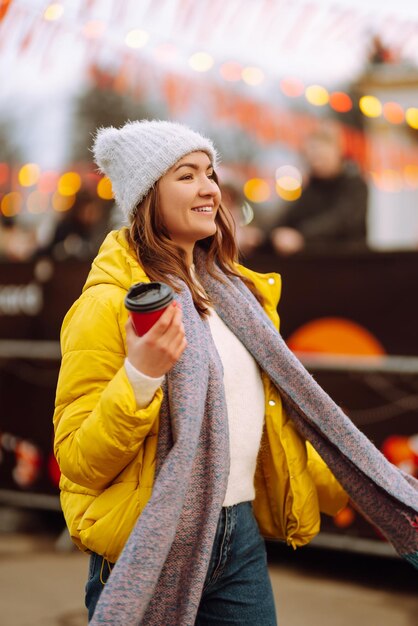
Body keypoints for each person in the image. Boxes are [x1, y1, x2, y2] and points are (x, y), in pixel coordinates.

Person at [53, 121, 417, 626]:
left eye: (210, 173)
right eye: (186, 175)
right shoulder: (108, 305)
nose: (209, 188)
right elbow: (78, 459)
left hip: (238, 539)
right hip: (151, 543)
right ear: (145, 197)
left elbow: (266, 429)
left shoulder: (239, 297)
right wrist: (140, 376)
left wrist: (367, 485)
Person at [270, 126, 368, 256]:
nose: (316, 160)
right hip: (317, 264)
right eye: (313, 156)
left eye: (322, 155)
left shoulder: (355, 185)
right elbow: (287, 218)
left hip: (350, 262)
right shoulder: (311, 188)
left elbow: (342, 221)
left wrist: (301, 236)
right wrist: (270, 234)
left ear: (338, 152)